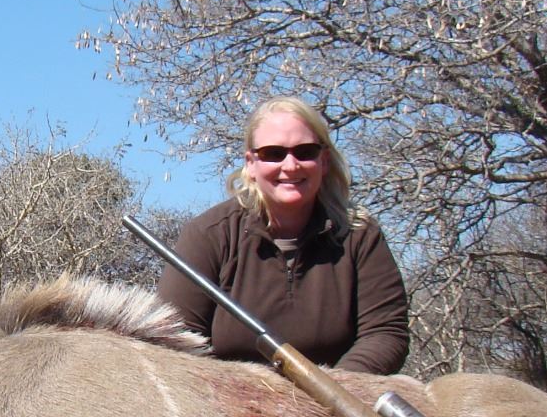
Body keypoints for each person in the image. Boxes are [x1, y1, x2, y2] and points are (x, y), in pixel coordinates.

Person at [154, 96, 409, 373]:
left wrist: (336, 388)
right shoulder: (208, 235)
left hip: (341, 395)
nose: (290, 166)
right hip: (227, 395)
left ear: (323, 161)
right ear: (251, 164)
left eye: (305, 152)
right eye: (273, 154)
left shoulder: (360, 234)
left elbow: (385, 333)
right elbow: (173, 346)